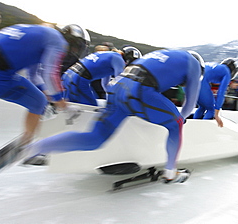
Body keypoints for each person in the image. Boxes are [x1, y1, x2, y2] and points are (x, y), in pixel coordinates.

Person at [24, 49, 205, 183]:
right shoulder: (193, 64)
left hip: (116, 88)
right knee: (177, 123)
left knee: (95, 138)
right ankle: (170, 172)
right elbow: (189, 104)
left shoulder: (166, 55)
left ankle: (34, 148)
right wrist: (181, 119)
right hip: (138, 90)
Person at [0, 23, 90, 146]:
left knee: (38, 101)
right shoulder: (58, 41)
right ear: (73, 41)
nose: (74, 51)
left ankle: (25, 146)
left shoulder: (41, 36)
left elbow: (34, 75)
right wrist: (62, 103)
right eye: (76, 47)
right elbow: (50, 74)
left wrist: (47, 93)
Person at [61, 45, 141, 106]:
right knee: (91, 108)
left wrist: (109, 98)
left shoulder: (110, 56)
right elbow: (120, 83)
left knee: (69, 106)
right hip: (79, 79)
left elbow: (105, 84)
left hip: (69, 75)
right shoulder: (119, 60)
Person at [193, 58, 238, 127]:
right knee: (211, 109)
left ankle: (194, 125)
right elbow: (221, 92)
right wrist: (217, 111)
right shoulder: (226, 72)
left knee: (203, 106)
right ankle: (202, 128)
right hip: (200, 80)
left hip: (188, 80)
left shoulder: (216, 66)